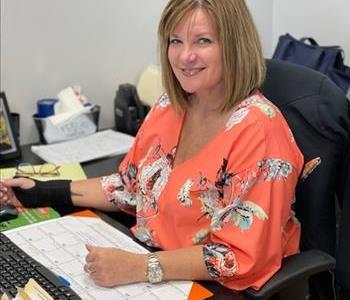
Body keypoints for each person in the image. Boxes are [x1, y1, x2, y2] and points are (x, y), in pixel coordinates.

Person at [0, 0, 304, 292]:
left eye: (203, 41)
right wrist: (40, 191)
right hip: (157, 268)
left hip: (215, 287)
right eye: (176, 41)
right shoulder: (170, 105)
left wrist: (140, 266)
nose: (185, 57)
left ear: (235, 46)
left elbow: (237, 256)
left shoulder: (259, 131)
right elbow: (129, 188)